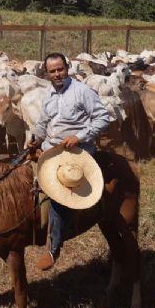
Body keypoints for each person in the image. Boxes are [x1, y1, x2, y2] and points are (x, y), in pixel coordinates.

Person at [27, 52, 111, 270]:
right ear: (46, 73)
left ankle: (53, 248)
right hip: (51, 150)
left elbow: (103, 118)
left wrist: (79, 137)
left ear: (68, 68)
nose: (57, 74)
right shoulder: (49, 94)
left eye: (60, 69)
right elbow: (43, 123)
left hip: (77, 152)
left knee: (58, 192)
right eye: (52, 71)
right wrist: (34, 140)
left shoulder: (82, 92)